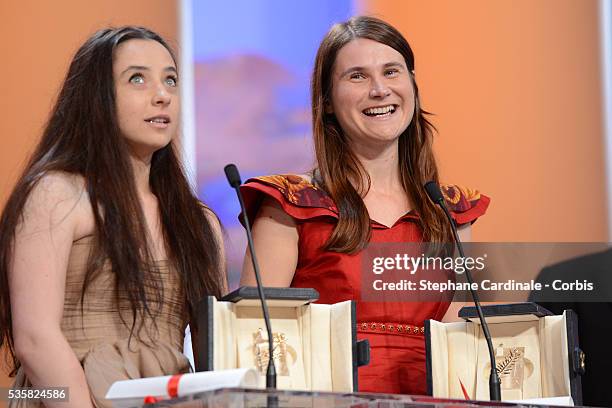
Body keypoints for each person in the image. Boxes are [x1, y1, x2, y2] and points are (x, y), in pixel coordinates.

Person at [239, 16, 489, 395]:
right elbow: (255, 343)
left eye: (391, 72)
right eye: (357, 76)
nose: (379, 90)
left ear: (413, 86)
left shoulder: (451, 211)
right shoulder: (290, 205)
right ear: (326, 101)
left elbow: (464, 342)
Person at [0, 27, 226, 407]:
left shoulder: (198, 222)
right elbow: (35, 339)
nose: (162, 95)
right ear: (97, 98)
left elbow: (214, 354)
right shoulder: (58, 192)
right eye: (137, 79)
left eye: (170, 80)